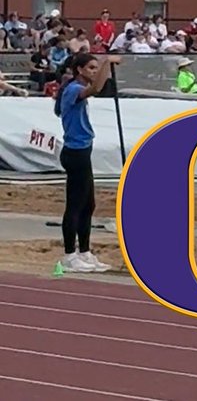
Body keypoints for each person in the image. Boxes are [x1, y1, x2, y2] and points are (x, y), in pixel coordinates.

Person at [54, 53, 118, 273]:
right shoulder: (73, 90)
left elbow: (98, 87)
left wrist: (105, 67)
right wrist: (106, 63)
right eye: (90, 68)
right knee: (75, 205)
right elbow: (96, 89)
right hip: (75, 153)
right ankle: (70, 256)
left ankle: (85, 252)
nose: (93, 71)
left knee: (88, 205)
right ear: (79, 70)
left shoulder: (74, 88)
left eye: (94, 68)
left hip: (84, 150)